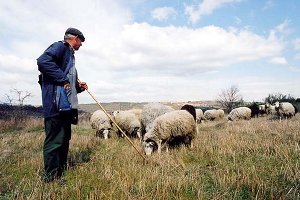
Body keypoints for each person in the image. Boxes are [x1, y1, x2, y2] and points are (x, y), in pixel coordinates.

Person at [37, 27, 88, 182]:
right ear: (74, 38)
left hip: (66, 107)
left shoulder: (71, 59)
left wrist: (79, 88)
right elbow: (42, 61)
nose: (81, 45)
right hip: (55, 106)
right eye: (81, 41)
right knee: (54, 142)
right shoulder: (60, 47)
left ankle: (60, 171)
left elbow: (68, 87)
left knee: (64, 140)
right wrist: (63, 78)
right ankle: (50, 178)